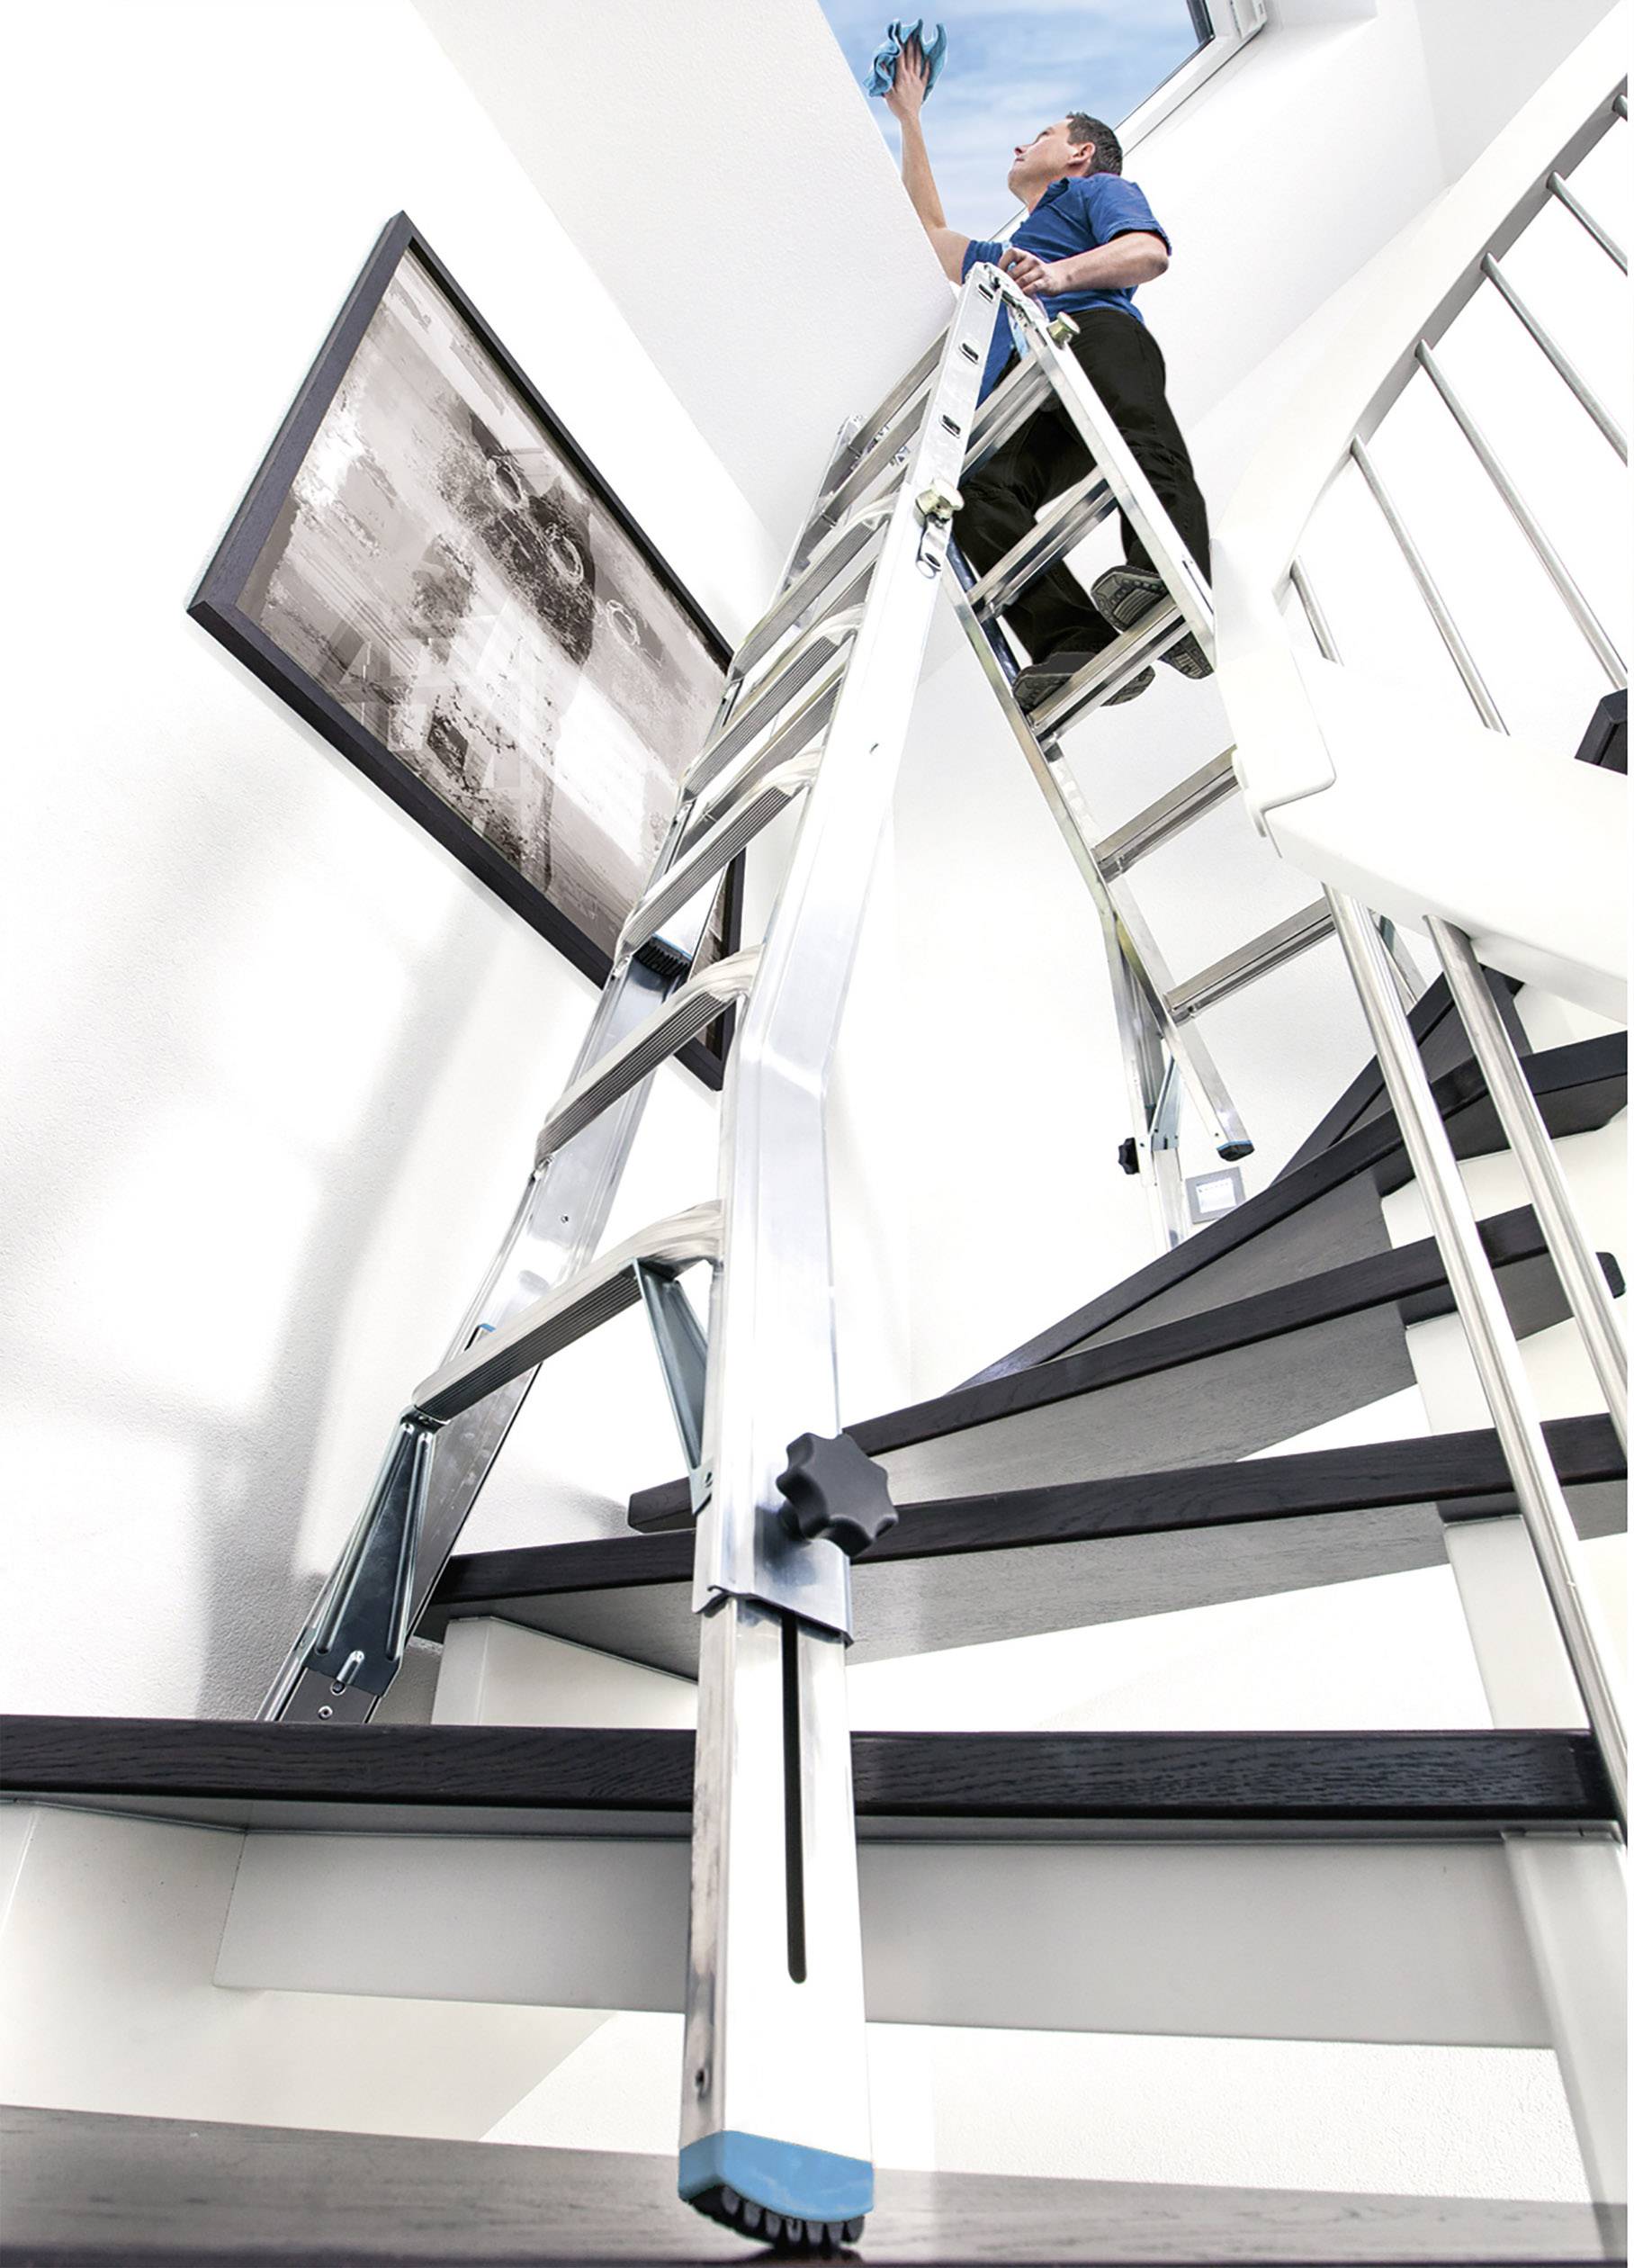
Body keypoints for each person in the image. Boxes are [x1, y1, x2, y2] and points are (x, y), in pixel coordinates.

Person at [884, 35, 1211, 713]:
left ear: (1080, 152)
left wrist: (1057, 278)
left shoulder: (1097, 190)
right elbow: (926, 233)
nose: (1018, 146)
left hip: (1094, 334)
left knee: (1138, 435)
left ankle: (1174, 580)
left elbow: (1147, 253)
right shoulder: (1009, 253)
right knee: (977, 491)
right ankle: (1074, 638)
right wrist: (910, 118)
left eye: (1040, 135)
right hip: (1036, 387)